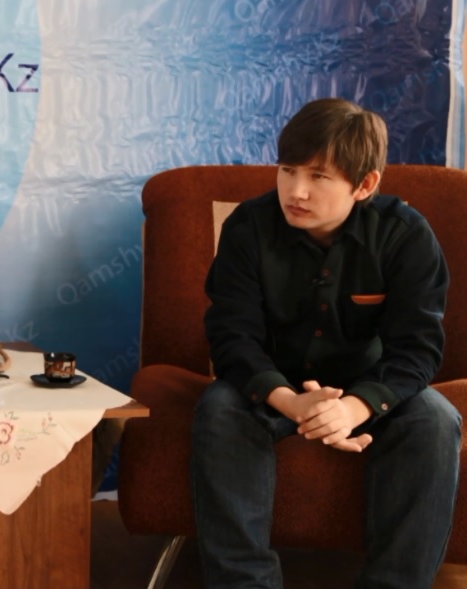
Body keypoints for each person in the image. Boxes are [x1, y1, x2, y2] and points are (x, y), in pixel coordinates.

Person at [191, 97, 461, 588]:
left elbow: (417, 349)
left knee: (436, 420)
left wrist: (354, 408)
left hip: (368, 386)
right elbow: (232, 336)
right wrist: (291, 402)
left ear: (365, 185)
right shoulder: (248, 227)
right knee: (220, 408)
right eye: (287, 170)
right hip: (269, 384)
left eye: (318, 176)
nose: (296, 191)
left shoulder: (404, 235)